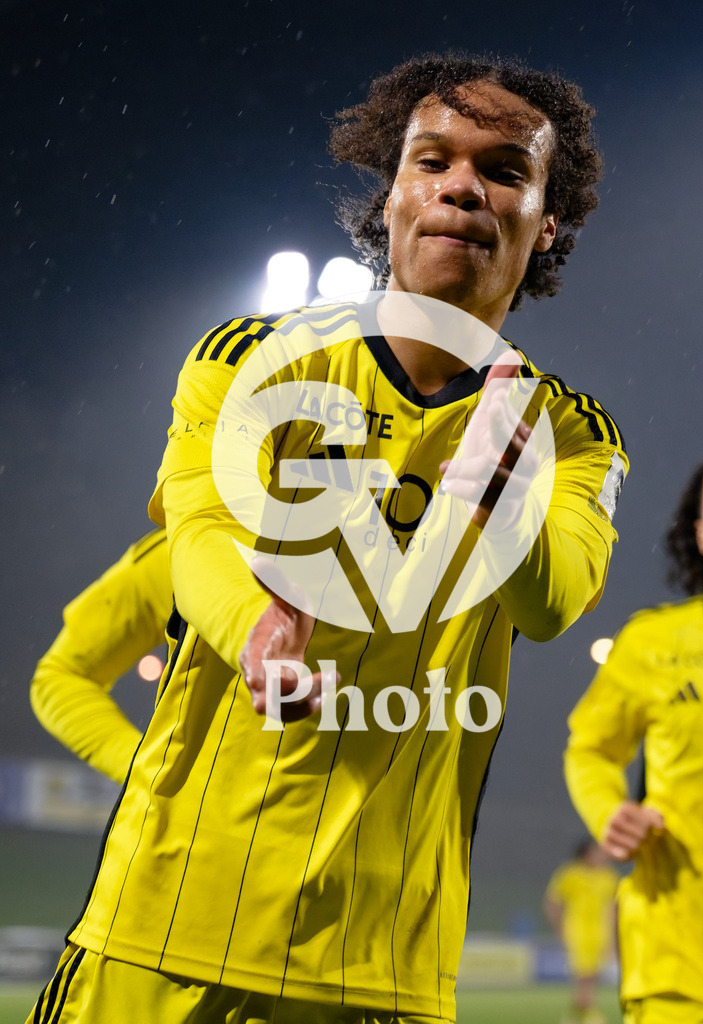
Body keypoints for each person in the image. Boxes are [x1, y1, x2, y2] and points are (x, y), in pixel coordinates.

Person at [29, 52, 628, 1024]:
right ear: (390, 197)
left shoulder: (569, 433)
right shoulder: (249, 360)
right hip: (169, 921)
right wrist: (252, 631)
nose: (462, 185)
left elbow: (553, 604)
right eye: (431, 160)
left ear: (546, 222)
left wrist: (494, 497)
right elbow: (204, 534)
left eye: (505, 169)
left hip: (383, 957)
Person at [565, 448, 703, 1024]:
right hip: (681, 970)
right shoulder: (654, 643)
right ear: (702, 535)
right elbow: (591, 749)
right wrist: (609, 811)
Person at [30, 528, 172, 784]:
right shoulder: (177, 555)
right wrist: (152, 770)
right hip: (210, 818)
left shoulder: (179, 551)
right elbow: (61, 675)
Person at [544, 838, 619, 1024]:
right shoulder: (570, 875)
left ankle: (572, 1017)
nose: (602, 856)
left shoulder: (607, 876)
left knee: (592, 975)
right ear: (586, 854)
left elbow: (613, 907)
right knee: (583, 976)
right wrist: (560, 929)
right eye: (597, 852)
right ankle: (592, 1015)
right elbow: (553, 902)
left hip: (600, 933)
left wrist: (613, 935)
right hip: (577, 931)